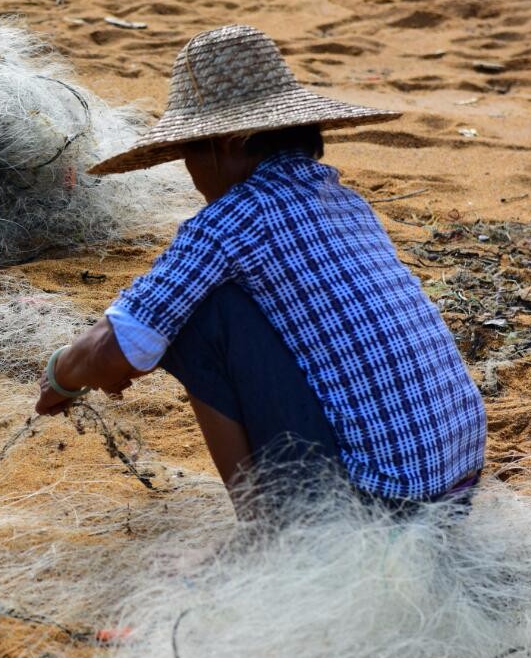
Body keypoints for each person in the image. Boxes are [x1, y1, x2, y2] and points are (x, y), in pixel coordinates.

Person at [35, 25, 485, 520]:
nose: (191, 172)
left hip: (377, 505)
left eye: (190, 151)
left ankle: (267, 540)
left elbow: (117, 345)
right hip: (455, 480)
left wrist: (62, 374)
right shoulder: (346, 202)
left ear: (228, 142)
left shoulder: (234, 220)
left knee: (198, 316)